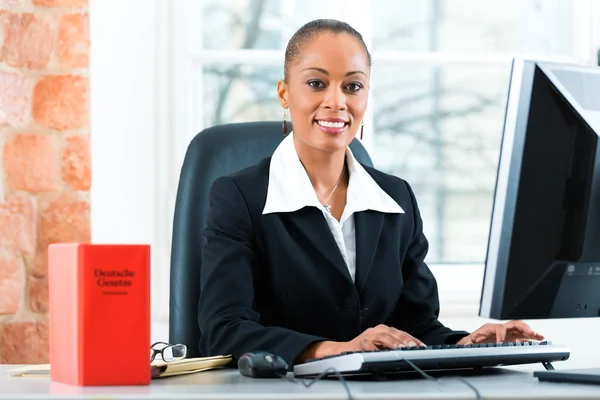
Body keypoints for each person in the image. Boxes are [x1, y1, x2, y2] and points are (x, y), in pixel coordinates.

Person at [197, 19, 544, 367]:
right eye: (316, 83)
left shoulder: (396, 199)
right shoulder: (238, 197)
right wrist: (337, 349)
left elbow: (417, 326)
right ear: (285, 93)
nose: (336, 101)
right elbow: (224, 329)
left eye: (352, 86)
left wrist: (467, 344)